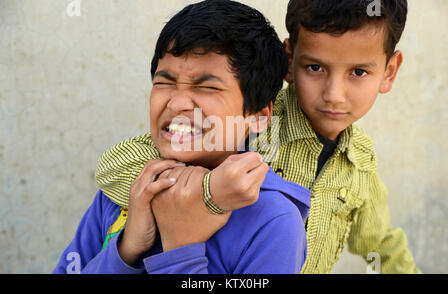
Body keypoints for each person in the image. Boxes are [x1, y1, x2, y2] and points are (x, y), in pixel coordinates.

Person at [92, 0, 422, 273]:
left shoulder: (360, 161)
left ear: (389, 72)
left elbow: (379, 242)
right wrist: (209, 192)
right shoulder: (252, 117)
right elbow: (117, 164)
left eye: (358, 72)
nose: (334, 95)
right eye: (315, 68)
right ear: (289, 61)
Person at [53, 0, 310, 274]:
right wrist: (126, 249)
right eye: (164, 82)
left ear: (258, 116)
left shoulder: (273, 220)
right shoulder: (129, 186)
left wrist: (179, 247)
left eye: (207, 87)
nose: (176, 104)